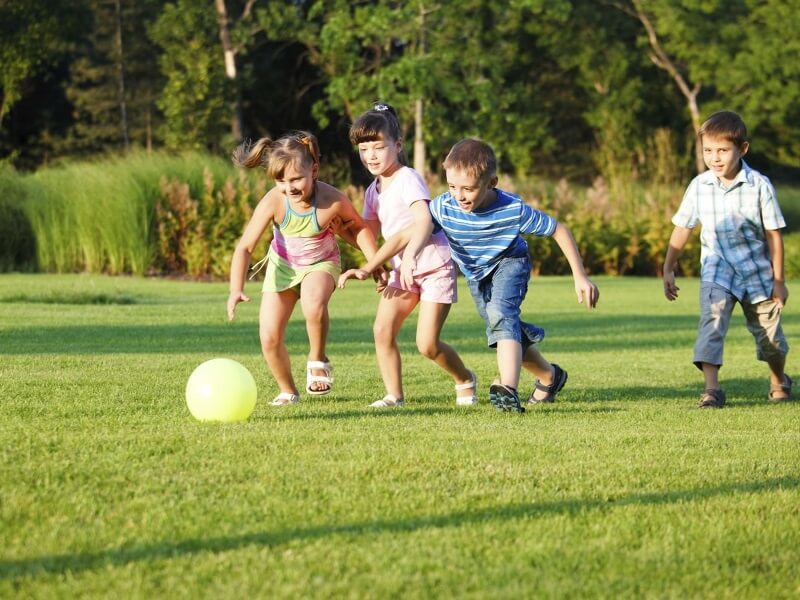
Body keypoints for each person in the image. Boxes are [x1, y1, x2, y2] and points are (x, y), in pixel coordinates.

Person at [340, 138, 599, 413]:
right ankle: (549, 376)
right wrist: (370, 266)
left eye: (468, 189)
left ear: (492, 182)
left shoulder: (512, 209)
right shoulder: (445, 206)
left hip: (510, 262)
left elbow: (559, 230)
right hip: (477, 274)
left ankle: (508, 389)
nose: (459, 196)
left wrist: (580, 276)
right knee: (503, 327)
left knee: (501, 314)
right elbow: (407, 233)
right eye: (452, 187)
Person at [227, 131, 379, 406]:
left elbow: (359, 231)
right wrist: (235, 288)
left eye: (296, 178)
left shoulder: (332, 200)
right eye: (281, 180)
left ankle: (317, 358)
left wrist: (375, 264)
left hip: (321, 263)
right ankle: (288, 390)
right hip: (282, 267)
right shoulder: (275, 200)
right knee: (269, 337)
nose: (290, 187)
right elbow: (245, 248)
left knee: (313, 305)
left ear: (314, 170)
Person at [340, 103, 476, 408]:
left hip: (432, 265)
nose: (371, 155)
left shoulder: (408, 178)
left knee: (427, 345)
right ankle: (394, 396)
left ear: (397, 145)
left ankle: (464, 378)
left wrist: (411, 255)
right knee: (382, 329)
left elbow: (424, 220)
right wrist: (371, 265)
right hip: (403, 270)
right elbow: (368, 233)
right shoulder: (373, 189)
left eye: (378, 147)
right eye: (364, 149)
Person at [663, 110, 791, 408]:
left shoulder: (759, 186)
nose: (715, 158)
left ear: (742, 148)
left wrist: (779, 280)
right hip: (717, 270)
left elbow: (774, 236)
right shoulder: (699, 186)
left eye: (723, 150)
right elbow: (683, 227)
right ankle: (712, 390)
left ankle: (779, 378)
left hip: (757, 273)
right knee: (712, 322)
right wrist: (669, 266)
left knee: (770, 340)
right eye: (708, 150)